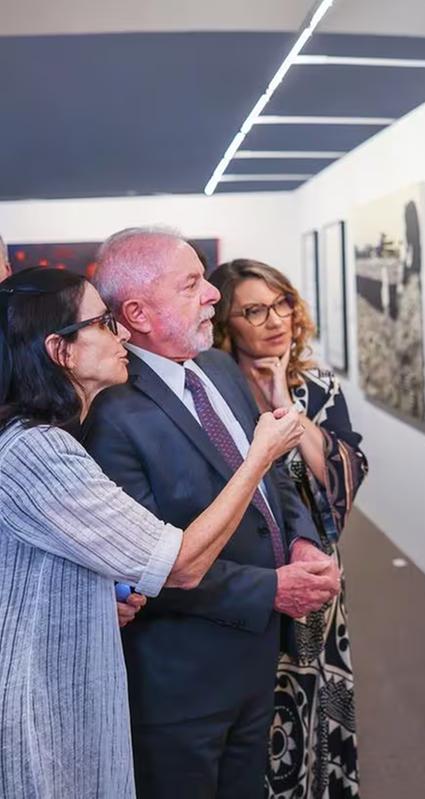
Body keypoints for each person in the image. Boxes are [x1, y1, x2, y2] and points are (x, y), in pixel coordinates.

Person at [0, 268, 306, 796]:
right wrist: (259, 456)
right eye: (101, 324)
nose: (120, 335)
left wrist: (104, 593)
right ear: (61, 351)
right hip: (47, 700)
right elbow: (180, 563)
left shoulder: (42, 441)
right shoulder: (40, 450)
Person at [82, 227, 342, 799]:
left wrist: (300, 543)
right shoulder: (110, 417)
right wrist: (271, 589)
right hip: (181, 685)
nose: (213, 296)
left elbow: (271, 470)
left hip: (253, 664)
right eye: (192, 284)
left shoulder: (220, 368)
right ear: (139, 313)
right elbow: (145, 562)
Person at [210, 258, 367, 798]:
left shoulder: (316, 387)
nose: (275, 319)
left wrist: (287, 411)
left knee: (311, 703)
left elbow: (339, 490)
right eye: (254, 310)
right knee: (250, 726)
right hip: (246, 577)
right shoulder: (214, 394)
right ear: (226, 321)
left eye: (281, 304)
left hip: (312, 572)